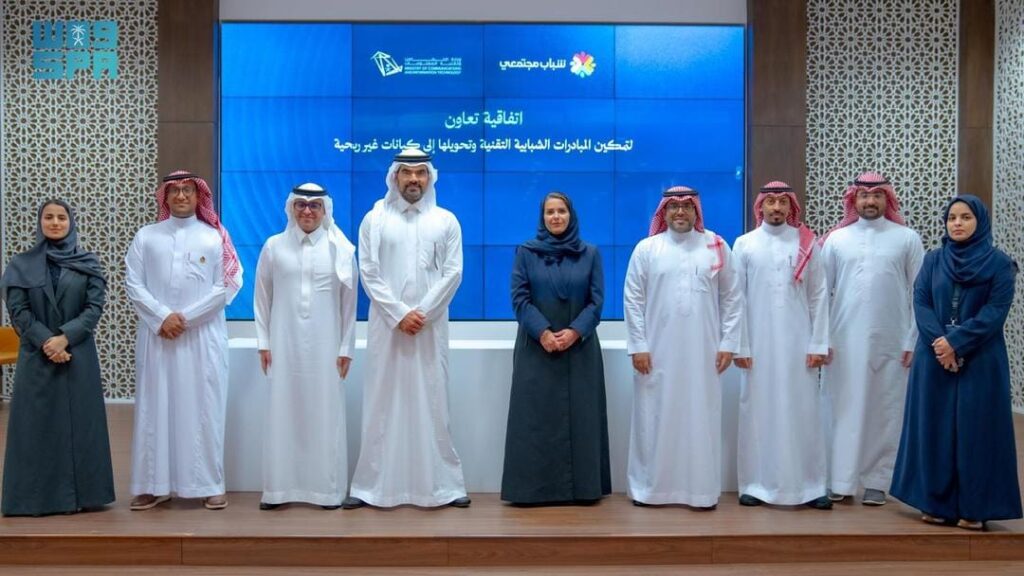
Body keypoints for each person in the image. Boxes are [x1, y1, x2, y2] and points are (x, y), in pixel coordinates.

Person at [345, 148, 469, 509]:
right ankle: (370, 487)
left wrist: (423, 312)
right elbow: (368, 272)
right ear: (394, 177)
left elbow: (453, 272)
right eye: (406, 172)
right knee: (381, 402)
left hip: (430, 328)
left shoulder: (446, 220)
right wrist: (399, 313)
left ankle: (444, 486)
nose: (414, 179)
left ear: (430, 177)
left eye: (420, 173)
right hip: (387, 328)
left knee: (434, 400)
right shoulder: (375, 220)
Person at [891, 195, 1022, 530]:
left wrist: (956, 343)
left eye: (965, 217)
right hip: (933, 356)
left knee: (977, 431)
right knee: (933, 428)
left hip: (981, 358)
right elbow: (921, 302)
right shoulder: (933, 260)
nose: (958, 223)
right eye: (952, 218)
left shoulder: (1000, 264)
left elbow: (995, 311)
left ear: (980, 222)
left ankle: (975, 508)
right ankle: (935, 502)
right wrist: (941, 343)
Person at [125, 170, 243, 511]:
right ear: (164, 196)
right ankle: (153, 485)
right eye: (174, 190)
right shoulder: (146, 237)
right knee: (154, 410)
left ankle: (209, 485)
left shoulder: (214, 236)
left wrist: (185, 319)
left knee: (204, 409)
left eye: (187, 190)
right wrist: (162, 316)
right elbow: (133, 283)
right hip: (158, 338)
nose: (180, 195)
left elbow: (227, 286)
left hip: (202, 339)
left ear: (198, 195)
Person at [623, 186, 743, 509]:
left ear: (696, 211)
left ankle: (700, 492)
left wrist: (729, 343)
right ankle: (649, 490)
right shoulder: (647, 249)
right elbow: (633, 300)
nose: (680, 212)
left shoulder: (716, 246)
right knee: (653, 417)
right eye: (673, 206)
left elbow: (733, 298)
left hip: (704, 352)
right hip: (656, 353)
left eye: (687, 206)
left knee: (700, 417)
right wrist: (638, 345)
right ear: (663, 212)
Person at [0, 200, 113, 516]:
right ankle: (33, 499)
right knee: (36, 427)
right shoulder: (21, 264)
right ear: (40, 222)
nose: (54, 222)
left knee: (80, 426)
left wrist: (65, 337)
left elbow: (94, 307)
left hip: (78, 354)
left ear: (70, 222)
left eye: (61, 217)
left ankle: (83, 496)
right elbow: (18, 310)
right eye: (48, 217)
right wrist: (47, 341)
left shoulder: (88, 263)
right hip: (37, 355)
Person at [820, 171, 924, 506]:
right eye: (864, 196)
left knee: (886, 409)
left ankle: (879, 480)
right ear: (854, 199)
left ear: (887, 199)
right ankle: (840, 479)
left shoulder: (907, 239)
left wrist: (912, 340)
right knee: (842, 407)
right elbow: (820, 294)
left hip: (892, 339)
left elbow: (920, 294)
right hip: (843, 340)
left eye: (877, 195)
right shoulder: (837, 240)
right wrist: (821, 338)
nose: (870, 201)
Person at [501, 192, 610, 505]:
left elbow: (596, 302)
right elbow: (520, 299)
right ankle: (532, 491)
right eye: (550, 212)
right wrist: (543, 332)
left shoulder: (590, 253)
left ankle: (583, 490)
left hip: (580, 349)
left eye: (561, 211)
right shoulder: (526, 252)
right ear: (543, 217)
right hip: (536, 349)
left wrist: (575, 332)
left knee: (581, 418)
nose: (556, 217)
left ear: (570, 215)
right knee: (535, 420)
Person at [254, 183, 357, 510]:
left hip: (327, 347)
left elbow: (349, 305)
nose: (308, 211)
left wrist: (346, 347)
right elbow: (262, 298)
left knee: (325, 415)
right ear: (291, 208)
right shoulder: (274, 246)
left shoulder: (341, 249)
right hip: (283, 345)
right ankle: (278, 491)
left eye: (315, 205)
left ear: (325, 210)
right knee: (282, 413)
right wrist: (263, 343)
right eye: (301, 204)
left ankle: (327, 492)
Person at [732, 181, 831, 510]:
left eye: (782, 202)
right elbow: (736, 299)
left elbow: (818, 295)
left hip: (799, 343)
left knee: (804, 411)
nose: (776, 208)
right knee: (757, 412)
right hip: (757, 345)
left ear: (791, 207)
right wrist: (741, 346)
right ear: (761, 206)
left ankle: (811, 486)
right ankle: (754, 485)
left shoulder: (807, 243)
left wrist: (819, 343)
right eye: (770, 201)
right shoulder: (744, 244)